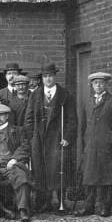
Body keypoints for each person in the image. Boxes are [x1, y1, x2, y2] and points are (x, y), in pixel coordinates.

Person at [76, 72, 112, 217]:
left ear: (106, 84)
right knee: (89, 176)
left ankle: (105, 207)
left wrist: (111, 137)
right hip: (91, 146)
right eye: (95, 83)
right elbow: (82, 125)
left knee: (108, 177)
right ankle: (89, 206)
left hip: (108, 148)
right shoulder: (88, 102)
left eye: (101, 83)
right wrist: (84, 143)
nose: (98, 86)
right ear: (92, 85)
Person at [24, 63, 76, 213]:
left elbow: (72, 119)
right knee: (40, 170)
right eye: (45, 76)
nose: (48, 79)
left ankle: (61, 202)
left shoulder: (65, 95)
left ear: (55, 76)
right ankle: (43, 202)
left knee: (59, 169)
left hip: (58, 139)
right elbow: (28, 118)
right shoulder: (35, 95)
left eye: (50, 76)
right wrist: (32, 136)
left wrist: (67, 137)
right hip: (39, 139)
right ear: (42, 78)